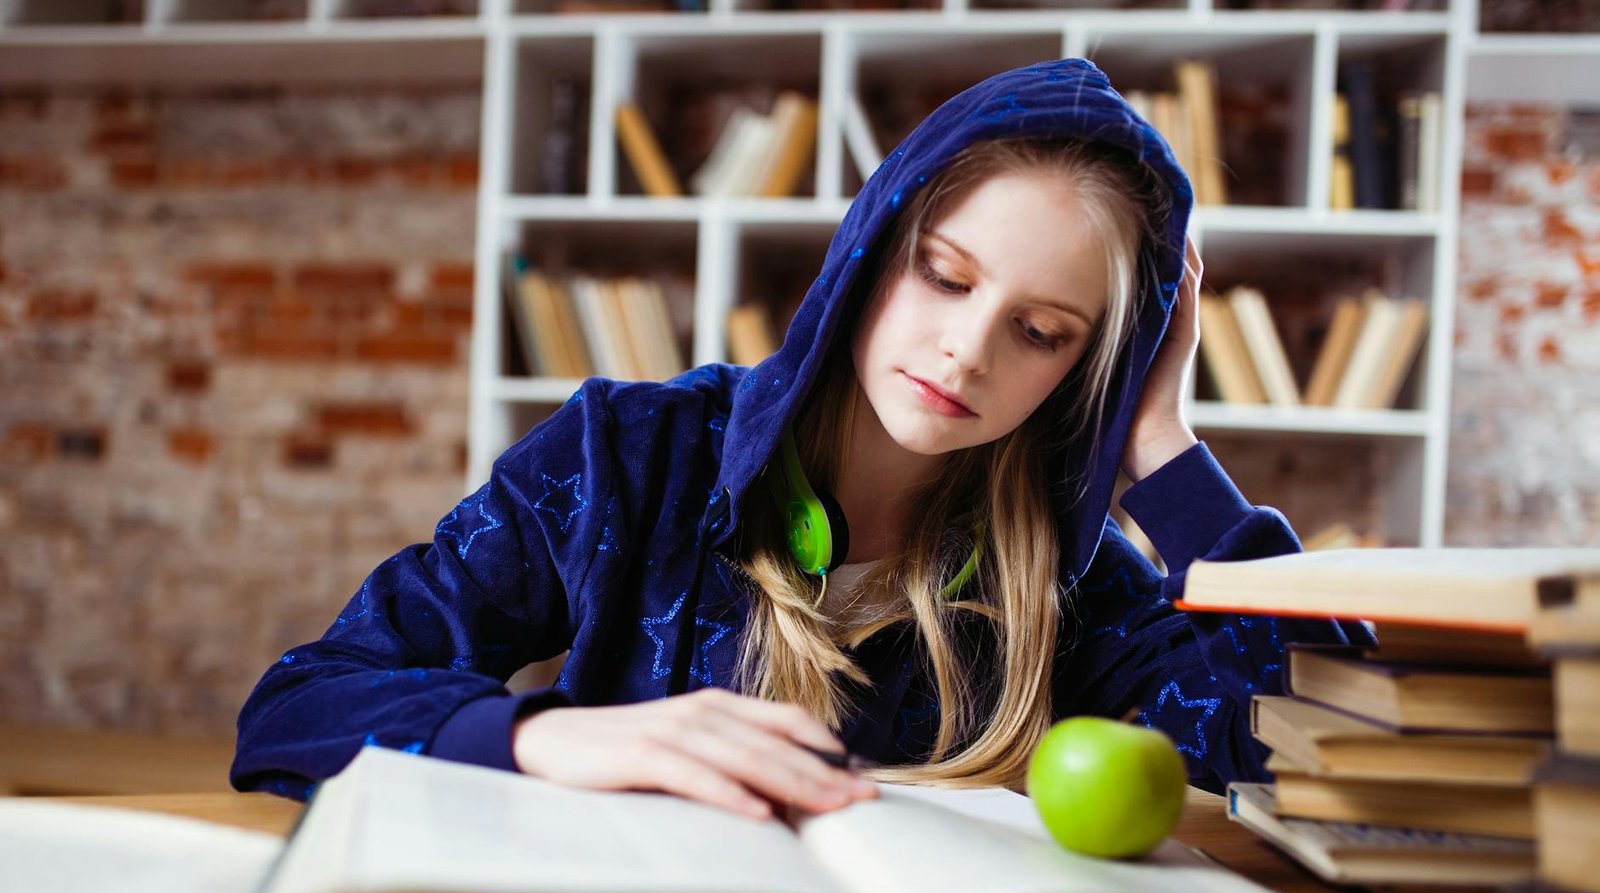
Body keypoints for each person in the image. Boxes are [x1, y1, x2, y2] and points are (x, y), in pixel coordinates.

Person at [232, 58, 1368, 817]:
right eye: (942, 276)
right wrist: (539, 741)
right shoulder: (625, 459)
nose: (968, 352)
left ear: (1087, 372)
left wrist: (1162, 446)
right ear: (868, 254)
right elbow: (299, 705)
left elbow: (1348, 748)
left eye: (1040, 331)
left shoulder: (1066, 582)